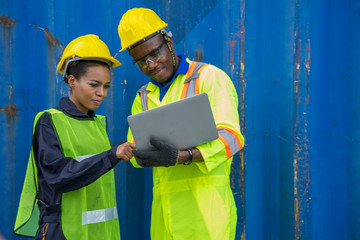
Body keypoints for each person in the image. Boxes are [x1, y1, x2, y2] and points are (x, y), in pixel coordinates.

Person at [118, 8, 245, 240]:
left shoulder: (209, 78)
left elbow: (232, 138)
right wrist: (133, 153)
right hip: (164, 218)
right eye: (141, 61)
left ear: (168, 40)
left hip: (206, 216)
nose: (151, 64)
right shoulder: (143, 96)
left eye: (155, 54)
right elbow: (135, 151)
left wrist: (183, 156)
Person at [14, 34, 135, 240]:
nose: (101, 93)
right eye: (94, 84)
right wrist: (112, 155)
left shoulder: (98, 124)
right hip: (64, 231)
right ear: (72, 81)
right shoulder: (49, 121)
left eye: (106, 86)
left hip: (103, 232)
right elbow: (59, 177)